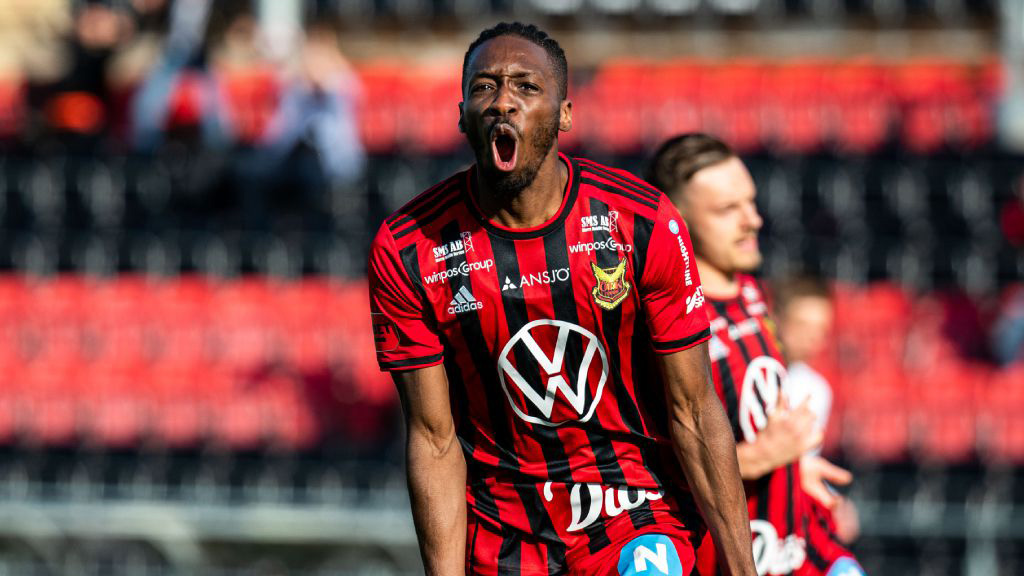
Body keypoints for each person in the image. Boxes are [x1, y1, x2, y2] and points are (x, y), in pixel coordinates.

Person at [368, 23, 755, 576]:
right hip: (503, 531)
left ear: (566, 114)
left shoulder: (639, 222)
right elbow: (433, 439)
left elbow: (694, 409)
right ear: (461, 116)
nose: (503, 100)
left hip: (634, 511)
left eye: (526, 87)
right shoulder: (409, 246)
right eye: (484, 87)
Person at [647, 133, 863, 576]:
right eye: (729, 210)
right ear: (679, 222)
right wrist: (764, 456)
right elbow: (652, 473)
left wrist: (793, 468)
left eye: (750, 202)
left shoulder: (751, 293)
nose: (754, 220)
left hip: (789, 550)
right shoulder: (668, 323)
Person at [773, 277, 860, 546]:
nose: (813, 337)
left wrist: (832, 499)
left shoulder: (817, 389)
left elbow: (802, 466)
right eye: (803, 325)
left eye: (821, 329)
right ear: (775, 317)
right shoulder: (745, 373)